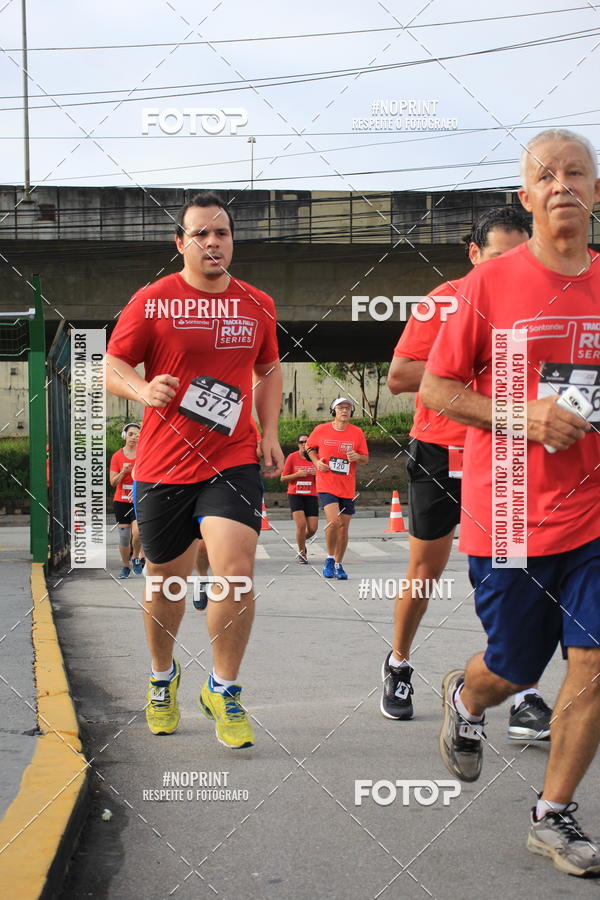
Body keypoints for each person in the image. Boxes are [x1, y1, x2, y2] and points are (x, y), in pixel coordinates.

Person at [420, 129, 600, 875]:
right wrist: (522, 415)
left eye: (576, 173)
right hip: (514, 516)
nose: (562, 184)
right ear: (524, 199)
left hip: (595, 517)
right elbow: (435, 389)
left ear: (595, 191)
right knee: (515, 669)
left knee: (593, 663)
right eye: (545, 175)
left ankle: (552, 815)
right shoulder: (488, 286)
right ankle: (467, 697)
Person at [105, 190, 283, 748]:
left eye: (222, 233)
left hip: (231, 460)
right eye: (201, 234)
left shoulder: (257, 303)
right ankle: (163, 679)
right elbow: (111, 363)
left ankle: (224, 688)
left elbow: (269, 367)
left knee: (235, 569)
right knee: (167, 584)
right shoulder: (154, 300)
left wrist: (270, 431)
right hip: (162, 465)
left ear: (233, 241)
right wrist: (142, 387)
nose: (213, 242)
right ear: (181, 243)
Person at [382, 207, 551, 739]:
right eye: (499, 257)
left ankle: (521, 689)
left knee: (513, 572)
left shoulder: (538, 304)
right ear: (474, 255)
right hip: (440, 450)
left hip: (506, 453)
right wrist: (473, 364)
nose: (511, 268)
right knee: (426, 568)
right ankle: (400, 664)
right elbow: (400, 376)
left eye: (521, 256)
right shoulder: (444, 302)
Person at [305, 399, 368, 580]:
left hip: (347, 487)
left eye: (348, 408)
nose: (344, 411)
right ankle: (329, 559)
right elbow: (309, 447)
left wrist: (357, 457)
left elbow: (365, 459)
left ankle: (339, 564)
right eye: (341, 408)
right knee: (335, 522)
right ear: (334, 410)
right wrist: (317, 462)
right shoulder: (321, 430)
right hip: (326, 484)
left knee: (344, 528)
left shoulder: (357, 433)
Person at [109, 422, 143, 577]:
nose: (133, 438)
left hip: (138, 499)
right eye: (130, 434)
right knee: (124, 536)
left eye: (137, 435)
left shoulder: (144, 455)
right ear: (125, 436)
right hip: (121, 500)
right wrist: (123, 472)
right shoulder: (117, 456)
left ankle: (136, 557)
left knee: (137, 533)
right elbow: (113, 482)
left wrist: (137, 489)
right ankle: (125, 566)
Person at [281, 434, 318, 563]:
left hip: (311, 495)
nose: (304, 444)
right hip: (295, 494)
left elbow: (326, 475)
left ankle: (300, 541)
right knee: (301, 525)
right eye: (301, 442)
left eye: (306, 442)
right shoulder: (292, 457)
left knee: (313, 529)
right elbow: (283, 478)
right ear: (298, 444)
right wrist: (297, 474)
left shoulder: (315, 458)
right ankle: (302, 552)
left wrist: (318, 473)